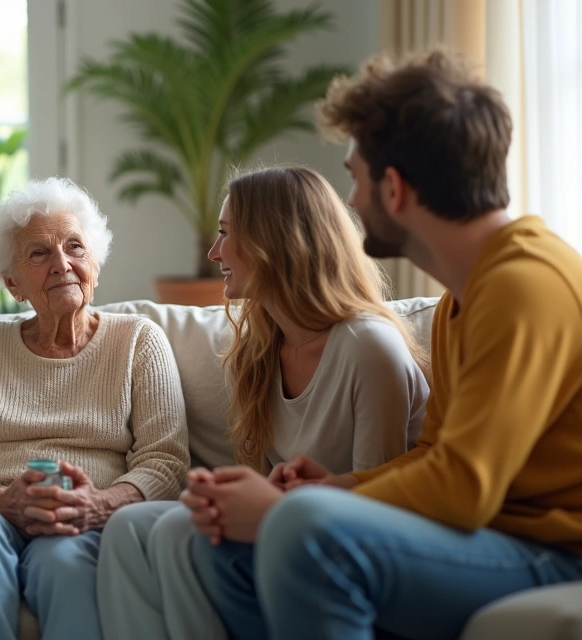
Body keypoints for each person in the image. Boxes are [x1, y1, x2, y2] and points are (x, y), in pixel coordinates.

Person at [185, 49, 582, 640]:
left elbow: (464, 490)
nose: (350, 202)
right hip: (497, 539)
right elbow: (438, 455)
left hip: (569, 555)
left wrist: (294, 509)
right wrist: (332, 487)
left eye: (354, 177)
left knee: (303, 530)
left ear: (393, 189)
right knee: (220, 549)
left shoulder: (526, 286)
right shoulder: (460, 302)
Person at [96, 165, 430, 640]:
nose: (214, 253)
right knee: (132, 526)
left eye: (225, 234)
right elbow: (267, 482)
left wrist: (279, 501)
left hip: (359, 547)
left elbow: (377, 509)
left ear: (271, 243)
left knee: (176, 533)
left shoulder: (368, 347)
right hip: (298, 526)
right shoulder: (258, 349)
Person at [0, 176, 190, 640]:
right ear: (13, 283)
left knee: (65, 558)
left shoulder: (139, 340)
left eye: (75, 247)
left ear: (95, 264)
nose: (62, 264)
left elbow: (165, 459)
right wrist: (0, 500)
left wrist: (96, 506)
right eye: (39, 253)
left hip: (83, 516)